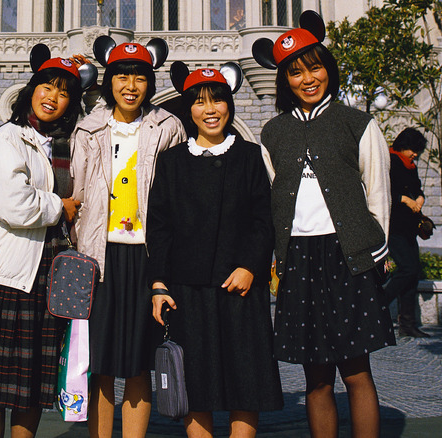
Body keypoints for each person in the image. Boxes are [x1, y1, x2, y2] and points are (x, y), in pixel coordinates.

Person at [253, 10, 395, 437]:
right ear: (284, 80)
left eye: (315, 67)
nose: (307, 79)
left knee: (356, 372)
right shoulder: (272, 133)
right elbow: (271, 200)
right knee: (316, 379)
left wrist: (377, 250)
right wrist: (276, 258)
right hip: (299, 258)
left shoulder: (358, 124)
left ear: (328, 69)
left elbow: (378, 193)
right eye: (295, 72)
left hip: (348, 254)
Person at [0, 48, 96, 438]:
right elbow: (13, 204)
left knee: (32, 379)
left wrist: (90, 76)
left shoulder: (65, 142)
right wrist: (60, 206)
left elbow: (100, 124)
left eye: (64, 91)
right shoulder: (8, 138)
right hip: (8, 273)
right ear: (31, 90)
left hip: (49, 272)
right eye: (46, 86)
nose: (52, 96)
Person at [148, 62, 284, 437]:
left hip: (240, 287)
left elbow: (263, 218)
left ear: (230, 103)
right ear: (188, 109)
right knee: (196, 385)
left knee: (246, 383)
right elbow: (159, 227)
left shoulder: (250, 156)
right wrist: (159, 284)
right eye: (200, 102)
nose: (210, 110)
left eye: (218, 100)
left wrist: (250, 266)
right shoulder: (172, 161)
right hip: (187, 291)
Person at [70, 36, 186, 438]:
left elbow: (177, 197)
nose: (130, 86)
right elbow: (79, 193)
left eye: (139, 77)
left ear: (149, 83)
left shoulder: (168, 126)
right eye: (122, 76)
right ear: (109, 82)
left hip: (147, 257)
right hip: (99, 258)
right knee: (99, 362)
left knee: (139, 361)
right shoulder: (88, 129)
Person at [384, 128, 430, 338]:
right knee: (407, 269)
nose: (415, 155)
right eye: (413, 150)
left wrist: (419, 198)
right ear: (403, 147)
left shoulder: (410, 166)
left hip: (409, 226)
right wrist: (405, 199)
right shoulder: (390, 161)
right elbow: (384, 191)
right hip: (394, 225)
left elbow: (417, 188)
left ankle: (408, 324)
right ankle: (378, 304)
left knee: (413, 274)